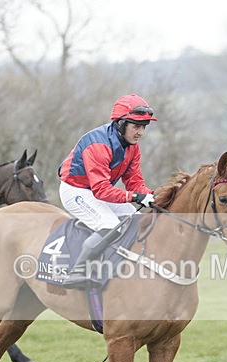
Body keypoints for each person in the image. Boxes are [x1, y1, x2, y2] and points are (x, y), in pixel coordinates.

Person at [58, 94, 157, 287]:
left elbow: (134, 181)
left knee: (136, 220)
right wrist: (135, 196)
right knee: (110, 224)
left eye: (144, 127)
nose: (141, 132)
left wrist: (152, 196)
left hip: (97, 191)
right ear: (121, 123)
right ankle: (77, 272)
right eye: (136, 126)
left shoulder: (132, 147)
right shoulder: (98, 145)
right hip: (75, 190)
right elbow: (102, 190)